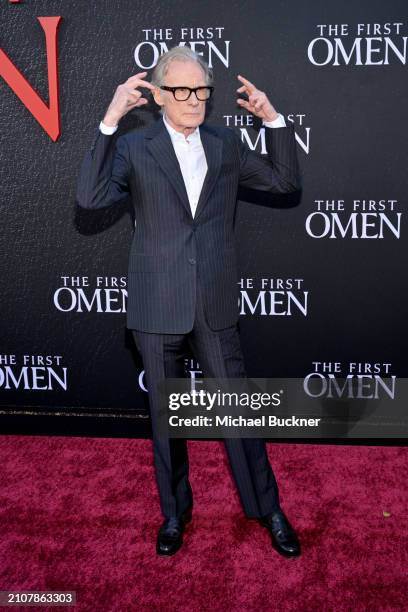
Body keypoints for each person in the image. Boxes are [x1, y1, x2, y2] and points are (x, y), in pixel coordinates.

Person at [76, 46, 302, 558]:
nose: (193, 100)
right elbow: (89, 199)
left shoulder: (225, 143)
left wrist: (273, 119)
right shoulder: (135, 147)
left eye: (201, 90)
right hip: (158, 302)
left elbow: (286, 183)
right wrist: (111, 119)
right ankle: (175, 513)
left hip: (214, 300)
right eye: (180, 90)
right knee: (166, 418)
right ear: (156, 96)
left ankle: (268, 508)